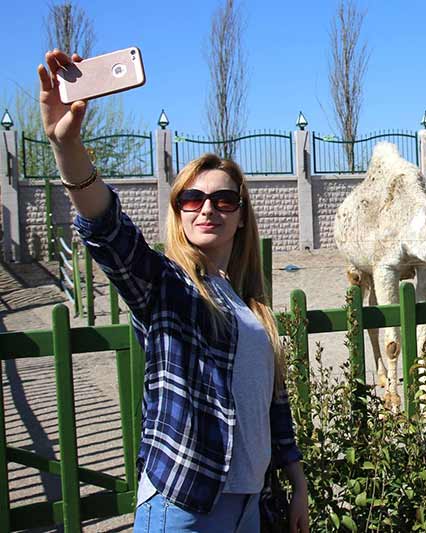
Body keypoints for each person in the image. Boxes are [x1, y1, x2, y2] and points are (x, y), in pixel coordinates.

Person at [38, 49, 310, 533]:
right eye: (193, 198)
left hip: (253, 506)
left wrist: (298, 483)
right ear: (179, 210)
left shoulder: (252, 305)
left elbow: (272, 406)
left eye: (225, 199)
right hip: (185, 503)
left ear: (241, 215)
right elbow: (106, 229)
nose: (209, 209)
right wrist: (68, 147)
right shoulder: (166, 286)